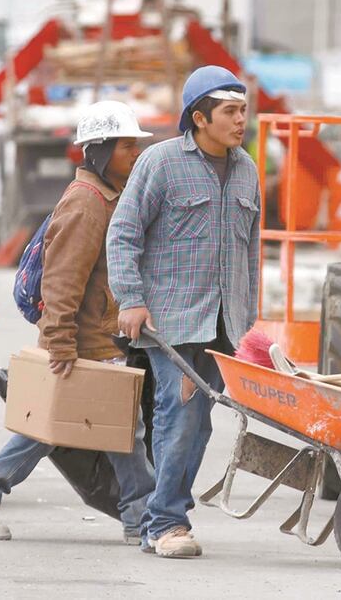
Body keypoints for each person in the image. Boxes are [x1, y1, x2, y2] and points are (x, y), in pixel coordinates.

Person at [0, 101, 156, 543]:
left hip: (95, 339)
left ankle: (140, 518)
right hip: (83, 343)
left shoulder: (104, 198)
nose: (135, 154)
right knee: (85, 431)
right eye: (127, 146)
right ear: (99, 151)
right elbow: (62, 281)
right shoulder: (87, 205)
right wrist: (60, 345)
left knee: (106, 430)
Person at [107, 66, 261, 558]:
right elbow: (124, 232)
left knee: (199, 423)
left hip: (224, 322)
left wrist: (249, 315)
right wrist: (130, 299)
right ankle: (166, 522)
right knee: (178, 416)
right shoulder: (161, 163)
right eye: (230, 112)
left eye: (243, 110)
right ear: (200, 117)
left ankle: (160, 515)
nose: (241, 121)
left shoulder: (247, 170)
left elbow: (250, 249)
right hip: (172, 320)